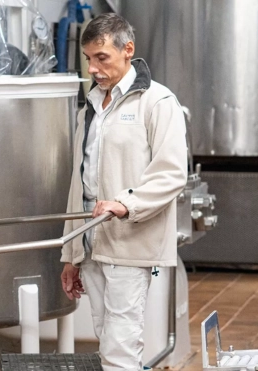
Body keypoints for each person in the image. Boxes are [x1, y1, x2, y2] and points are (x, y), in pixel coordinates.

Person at [59, 13, 188, 371]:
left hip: (130, 240)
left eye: (102, 57)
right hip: (90, 241)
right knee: (107, 337)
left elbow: (171, 173)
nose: (94, 68)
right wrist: (71, 252)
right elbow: (78, 181)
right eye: (88, 59)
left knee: (119, 345)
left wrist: (125, 204)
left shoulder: (157, 102)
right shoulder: (91, 106)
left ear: (127, 50)